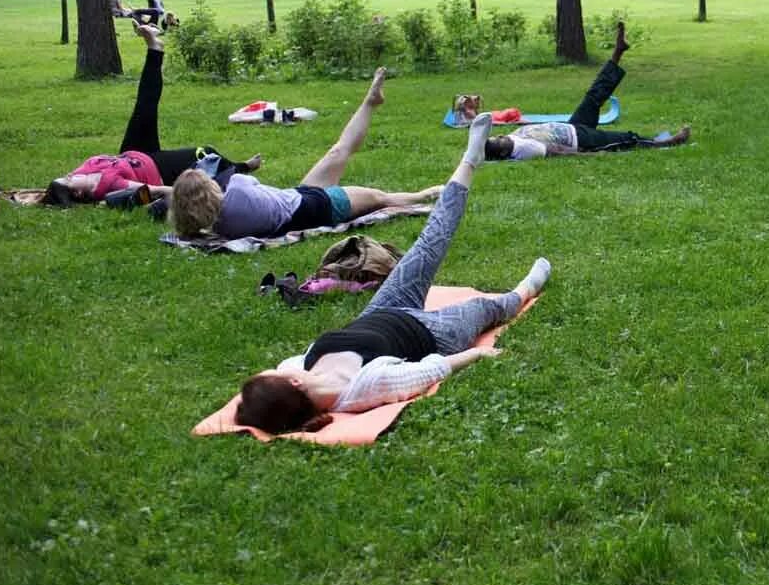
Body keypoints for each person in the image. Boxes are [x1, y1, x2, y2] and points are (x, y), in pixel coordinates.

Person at [233, 115, 553, 434]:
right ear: (293, 384)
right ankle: (525, 289)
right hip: (434, 334)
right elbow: (433, 369)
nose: (273, 369)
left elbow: (269, 390)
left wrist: (261, 402)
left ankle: (471, 159)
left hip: (384, 309)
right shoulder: (368, 387)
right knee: (487, 309)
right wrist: (478, 354)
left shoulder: (297, 367)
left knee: (431, 241)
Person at [168, 68, 441, 239]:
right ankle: (425, 195)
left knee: (338, 151)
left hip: (297, 200)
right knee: (380, 198)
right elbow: (247, 183)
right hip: (318, 206)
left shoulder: (219, 227)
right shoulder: (237, 191)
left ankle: (371, 102)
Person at [43, 22, 261, 206]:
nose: (72, 174)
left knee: (145, 103)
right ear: (78, 193)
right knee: (206, 153)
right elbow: (155, 190)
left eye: (68, 175)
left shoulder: (83, 171)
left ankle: (154, 47)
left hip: (132, 152)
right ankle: (242, 168)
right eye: (70, 180)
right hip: (156, 167)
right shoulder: (109, 187)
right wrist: (183, 193)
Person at [475, 23, 691, 160]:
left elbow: (478, 138)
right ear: (504, 152)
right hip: (582, 139)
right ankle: (666, 142)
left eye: (498, 136)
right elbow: (558, 152)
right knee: (625, 139)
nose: (501, 136)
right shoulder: (523, 149)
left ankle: (618, 51)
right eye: (499, 141)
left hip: (573, 126)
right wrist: (592, 155)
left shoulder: (512, 139)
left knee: (595, 94)